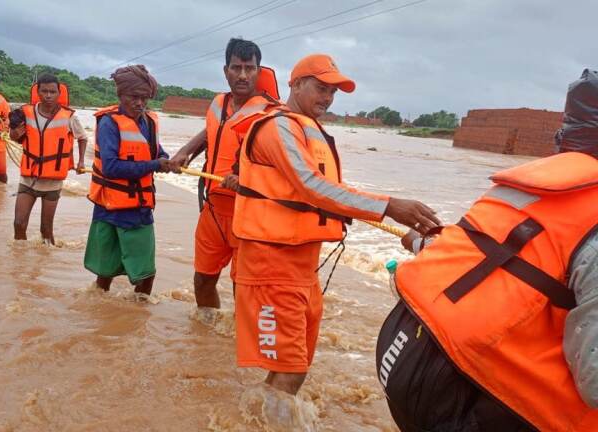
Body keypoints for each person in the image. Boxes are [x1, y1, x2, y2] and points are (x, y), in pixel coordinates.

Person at [375, 69, 598, 432]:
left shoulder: (526, 186)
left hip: (404, 353)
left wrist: (420, 241)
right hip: (473, 394)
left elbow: (488, 256)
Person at [232, 54, 441, 398]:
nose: (327, 98)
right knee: (291, 369)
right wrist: (389, 206)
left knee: (294, 366)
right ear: (296, 84)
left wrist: (402, 227)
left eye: (333, 92)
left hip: (303, 265)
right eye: (321, 88)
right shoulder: (278, 127)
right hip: (273, 263)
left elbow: (329, 199)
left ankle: (261, 418)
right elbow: (311, 186)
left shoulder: (308, 130)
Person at [169, 38, 281, 311]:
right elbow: (212, 132)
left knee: (241, 289)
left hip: (250, 214)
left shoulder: (272, 114)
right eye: (236, 67)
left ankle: (238, 345)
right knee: (202, 280)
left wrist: (247, 178)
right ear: (225, 70)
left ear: (258, 70)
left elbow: (280, 165)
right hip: (213, 210)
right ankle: (208, 342)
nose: (243, 75)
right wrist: (185, 152)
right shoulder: (218, 103)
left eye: (249, 68)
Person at [84, 65, 181, 295]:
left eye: (144, 98)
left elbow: (156, 151)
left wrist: (166, 160)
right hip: (108, 207)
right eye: (134, 97)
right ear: (120, 96)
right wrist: (154, 165)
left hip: (137, 209)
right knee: (105, 272)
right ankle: (107, 318)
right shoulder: (109, 124)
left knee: (145, 275)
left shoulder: (148, 122)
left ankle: (138, 312)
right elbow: (111, 167)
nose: (139, 103)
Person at [8, 73, 88, 245]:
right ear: (38, 92)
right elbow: (13, 136)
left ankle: (44, 263)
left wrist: (81, 161)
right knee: (18, 224)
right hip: (29, 179)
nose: (48, 95)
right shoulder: (25, 113)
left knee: (46, 230)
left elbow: (82, 138)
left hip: (53, 181)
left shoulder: (69, 116)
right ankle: (18, 262)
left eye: (52, 92)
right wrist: (14, 132)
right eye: (44, 91)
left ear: (59, 93)